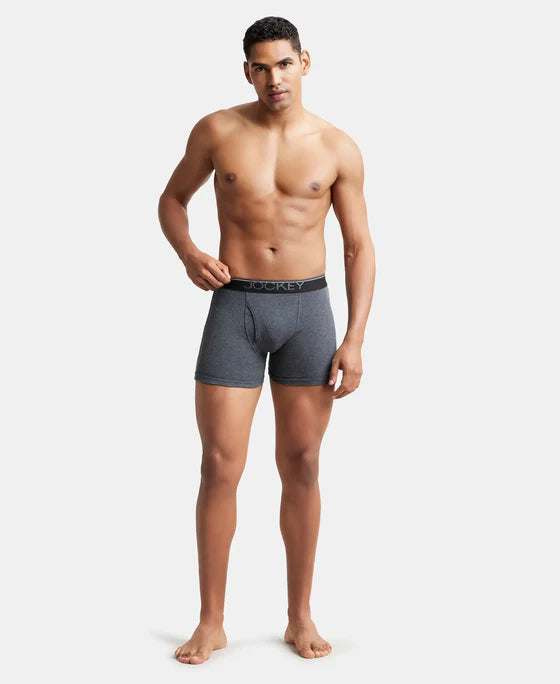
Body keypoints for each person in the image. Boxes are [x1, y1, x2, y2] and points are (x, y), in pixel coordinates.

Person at [158, 15, 376, 665]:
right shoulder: (217, 130)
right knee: (219, 464)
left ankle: (299, 616)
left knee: (302, 462)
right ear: (248, 71)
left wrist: (355, 338)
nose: (274, 77)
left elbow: (359, 247)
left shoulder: (337, 147)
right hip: (237, 307)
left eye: (284, 63)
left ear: (304, 63)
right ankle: (211, 621)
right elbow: (171, 200)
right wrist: (190, 253)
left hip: (308, 311)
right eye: (261, 67)